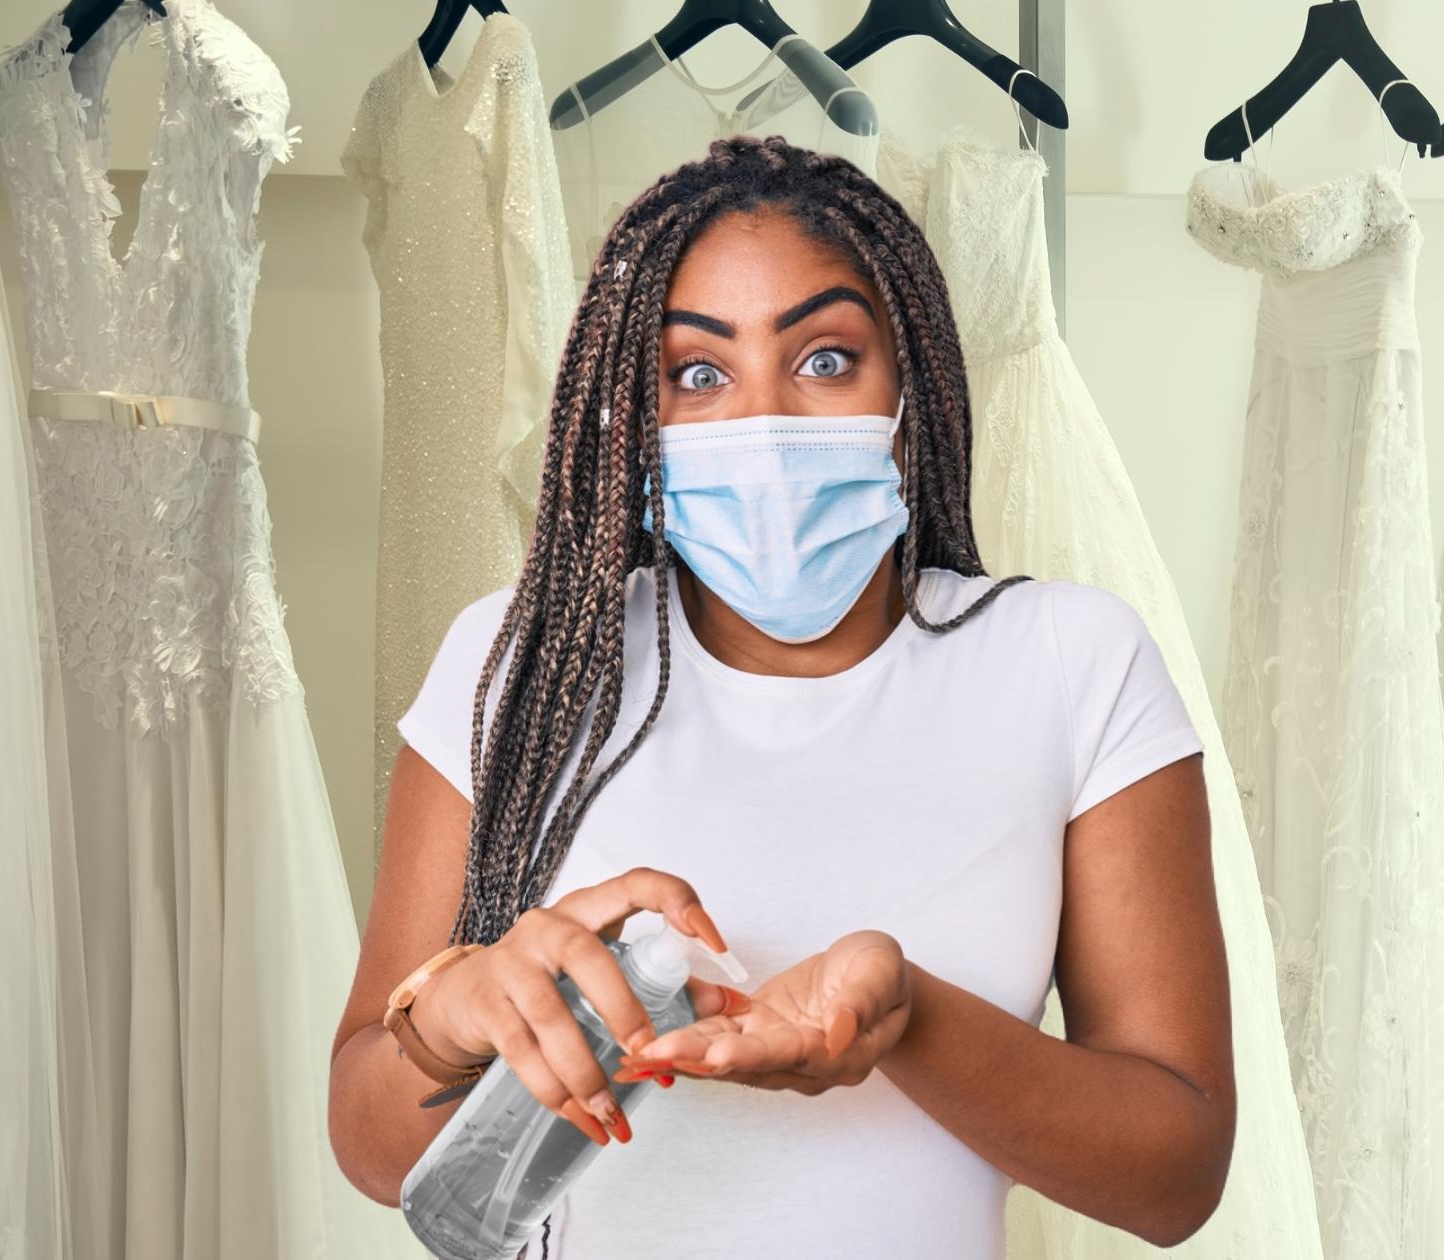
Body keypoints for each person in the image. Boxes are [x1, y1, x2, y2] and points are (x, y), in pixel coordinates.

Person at [329, 135, 1234, 1258]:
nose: (763, 424)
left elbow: (1175, 1176)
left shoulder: (1070, 666)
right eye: (697, 376)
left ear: (909, 389)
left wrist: (912, 1017)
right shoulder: (513, 666)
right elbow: (373, 1152)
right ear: (635, 423)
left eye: (823, 360)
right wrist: (451, 1018)